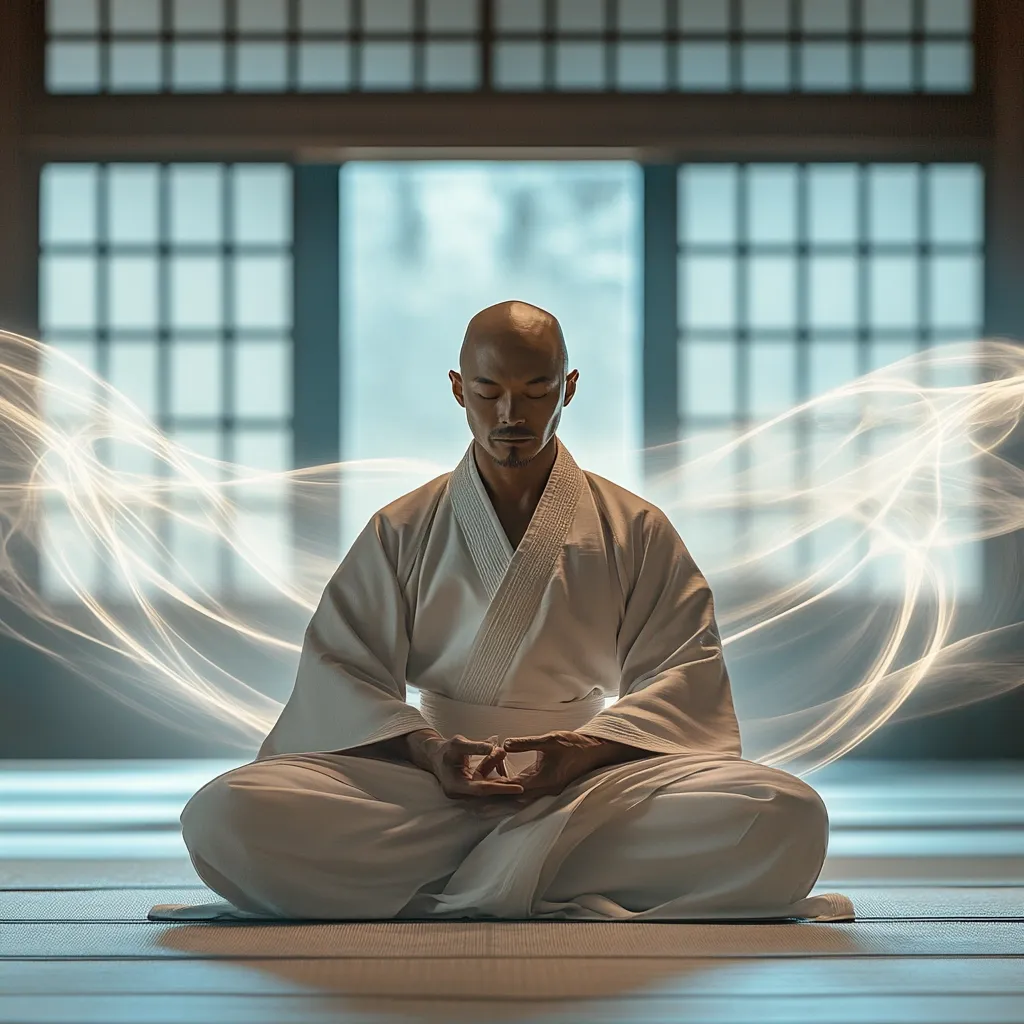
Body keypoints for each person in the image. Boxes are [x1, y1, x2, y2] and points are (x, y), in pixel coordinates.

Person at [155, 300, 853, 923]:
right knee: (226, 814)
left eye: (536, 390)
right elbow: (340, 673)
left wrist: (581, 753)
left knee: (786, 814)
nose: (511, 415)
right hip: (430, 791)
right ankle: (539, 868)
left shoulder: (635, 529)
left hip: (590, 787)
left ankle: (456, 876)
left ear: (568, 388)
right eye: (488, 392)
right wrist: (430, 751)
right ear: (459, 389)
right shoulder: (402, 528)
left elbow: (684, 675)